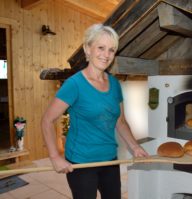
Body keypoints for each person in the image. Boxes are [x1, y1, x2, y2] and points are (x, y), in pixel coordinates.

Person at [41, 23, 149, 199]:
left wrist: (135, 146)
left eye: (111, 50)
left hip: (110, 160)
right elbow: (47, 120)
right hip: (81, 163)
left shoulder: (114, 84)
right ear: (87, 49)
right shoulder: (74, 84)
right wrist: (54, 156)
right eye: (101, 47)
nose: (106, 55)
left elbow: (120, 121)